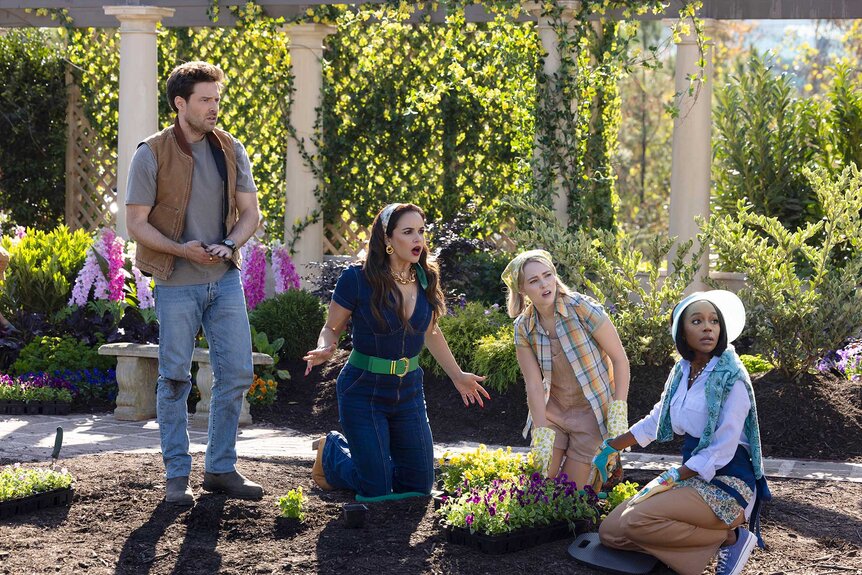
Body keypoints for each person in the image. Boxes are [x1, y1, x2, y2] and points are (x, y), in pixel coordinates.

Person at [126, 61, 263, 506]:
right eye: (205, 100)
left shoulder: (230, 149)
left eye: (217, 99)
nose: (214, 108)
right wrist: (182, 249)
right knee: (174, 380)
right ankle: (176, 476)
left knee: (237, 372)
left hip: (223, 281)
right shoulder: (150, 153)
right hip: (176, 282)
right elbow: (136, 225)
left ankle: (220, 469)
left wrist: (229, 243)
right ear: (180, 103)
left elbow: (250, 215)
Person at [303, 203, 490, 498]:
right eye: (408, 232)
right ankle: (332, 453)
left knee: (418, 488)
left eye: (421, 231)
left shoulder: (426, 277)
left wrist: (457, 375)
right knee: (375, 490)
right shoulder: (358, 279)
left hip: (409, 391)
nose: (418, 239)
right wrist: (326, 346)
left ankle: (371, 460)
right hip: (363, 390)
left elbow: (430, 331)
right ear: (388, 240)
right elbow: (332, 327)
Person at [591, 290, 771, 575]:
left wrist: (674, 475)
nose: (708, 327)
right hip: (692, 478)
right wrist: (611, 447)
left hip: (726, 483)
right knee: (611, 531)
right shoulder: (682, 370)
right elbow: (657, 420)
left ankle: (732, 538)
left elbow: (722, 449)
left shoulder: (732, 377)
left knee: (635, 522)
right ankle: (694, 547)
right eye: (697, 321)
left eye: (714, 321)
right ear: (682, 333)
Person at [501, 249, 630, 488]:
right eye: (534, 281)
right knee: (539, 485)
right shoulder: (523, 327)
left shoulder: (582, 309)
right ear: (522, 290)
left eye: (547, 275)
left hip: (591, 415)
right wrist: (540, 433)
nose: (544, 284)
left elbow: (620, 359)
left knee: (569, 494)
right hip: (554, 413)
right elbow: (533, 383)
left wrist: (618, 412)